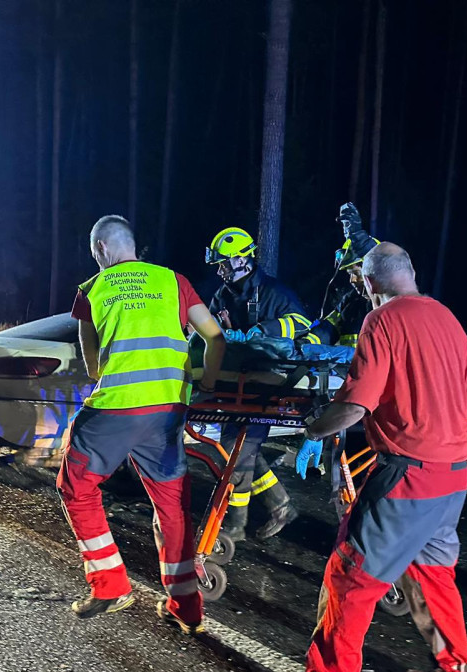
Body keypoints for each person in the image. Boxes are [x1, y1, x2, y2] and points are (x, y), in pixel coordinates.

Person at [283, 243, 467, 672]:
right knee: (433, 574)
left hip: (408, 476)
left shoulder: (382, 323)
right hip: (453, 475)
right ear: (412, 274)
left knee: (350, 579)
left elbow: (356, 404)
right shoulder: (445, 316)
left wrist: (312, 430)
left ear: (369, 285)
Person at [58, 215, 225, 634]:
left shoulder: (91, 290)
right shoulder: (173, 281)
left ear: (100, 250)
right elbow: (216, 337)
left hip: (117, 408)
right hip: (169, 410)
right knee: (172, 506)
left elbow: (93, 365)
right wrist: (206, 379)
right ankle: (187, 609)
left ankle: (110, 583)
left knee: (75, 486)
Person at [204, 226, 306, 541]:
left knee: (240, 450)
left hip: (268, 386)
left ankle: (235, 524)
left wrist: (264, 331)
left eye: (224, 262)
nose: (220, 269)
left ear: (241, 260)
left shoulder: (276, 294)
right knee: (234, 448)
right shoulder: (222, 296)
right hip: (234, 385)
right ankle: (281, 506)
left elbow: (302, 326)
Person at [313, 203, 376, 348]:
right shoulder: (350, 302)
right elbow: (327, 329)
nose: (352, 280)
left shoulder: (391, 306)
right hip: (348, 371)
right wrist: (303, 343)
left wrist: (361, 240)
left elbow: (384, 264)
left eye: (356, 274)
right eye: (350, 274)